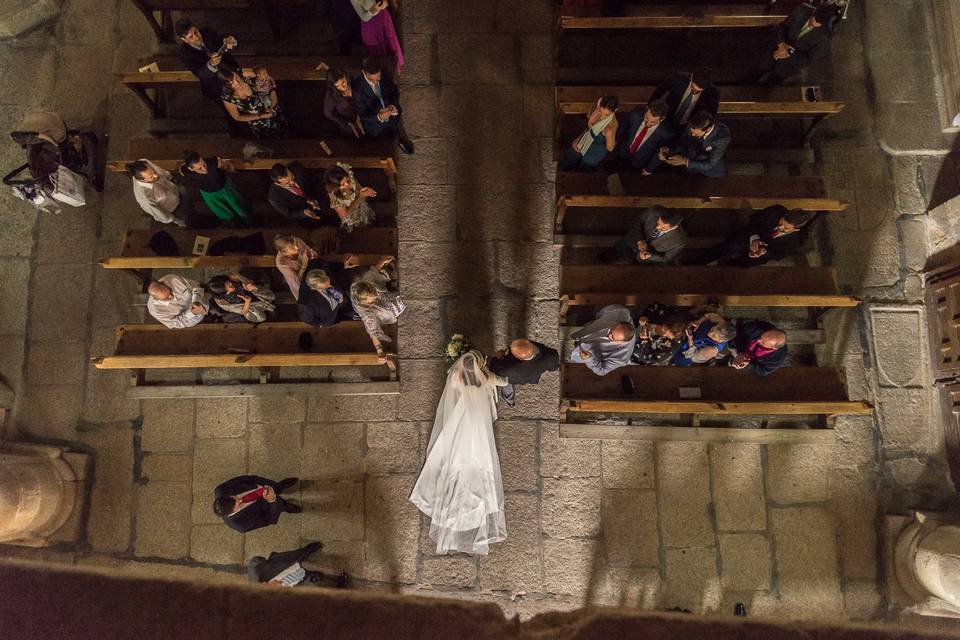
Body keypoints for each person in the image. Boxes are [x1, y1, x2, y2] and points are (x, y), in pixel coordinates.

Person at [409, 350, 509, 555]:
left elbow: (452, 385)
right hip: (479, 425)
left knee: (452, 455)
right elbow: (504, 382)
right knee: (481, 457)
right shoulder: (486, 379)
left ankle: (452, 503)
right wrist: (490, 374)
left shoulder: (456, 378)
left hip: (461, 420)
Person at [9, 112, 101, 190]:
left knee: (69, 155)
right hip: (40, 128)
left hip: (49, 130)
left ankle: (80, 153)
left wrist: (57, 147)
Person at [756, 4, 837, 86]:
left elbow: (810, 59)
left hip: (790, 63)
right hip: (776, 48)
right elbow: (782, 26)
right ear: (814, 12)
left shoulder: (825, 37)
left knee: (771, 83)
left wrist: (788, 52)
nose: (814, 23)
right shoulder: (801, 11)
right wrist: (781, 44)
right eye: (814, 19)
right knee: (759, 69)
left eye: (819, 23)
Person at [708, 205, 815, 266]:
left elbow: (778, 255)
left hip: (758, 256)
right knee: (723, 248)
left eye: (786, 228)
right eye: (781, 222)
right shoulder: (775, 211)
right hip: (747, 236)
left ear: (795, 229)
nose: (780, 227)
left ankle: (726, 265)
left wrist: (763, 252)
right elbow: (754, 220)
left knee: (737, 265)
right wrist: (755, 238)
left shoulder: (797, 240)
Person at [352, 58, 414, 153]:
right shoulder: (357, 88)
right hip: (375, 124)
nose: (377, 80)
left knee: (394, 127)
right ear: (365, 73)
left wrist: (393, 104)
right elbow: (362, 115)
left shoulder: (384, 74)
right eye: (373, 79)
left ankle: (399, 140)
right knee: (383, 143)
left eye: (379, 77)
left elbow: (394, 91)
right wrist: (378, 117)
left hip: (391, 112)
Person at [349, 257, 403, 362]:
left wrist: (382, 261)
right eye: (371, 301)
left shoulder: (364, 282)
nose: (373, 300)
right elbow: (373, 332)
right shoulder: (365, 312)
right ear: (364, 302)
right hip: (373, 310)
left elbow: (372, 272)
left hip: (374, 293)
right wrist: (380, 351)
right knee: (386, 312)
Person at [175, 19, 240, 101]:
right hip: (216, 87)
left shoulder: (207, 32)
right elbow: (199, 73)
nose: (197, 37)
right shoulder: (185, 54)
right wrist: (211, 64)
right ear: (184, 40)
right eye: (191, 37)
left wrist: (230, 40)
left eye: (196, 32)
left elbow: (223, 38)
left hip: (233, 71)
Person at [653, 110, 731, 178]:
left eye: (696, 134)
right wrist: (669, 150)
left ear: (708, 129)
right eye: (691, 132)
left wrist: (685, 161)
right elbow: (683, 141)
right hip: (688, 168)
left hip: (709, 173)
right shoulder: (693, 124)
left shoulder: (723, 138)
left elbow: (710, 164)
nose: (692, 135)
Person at [179, 152, 250, 226]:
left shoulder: (213, 162)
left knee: (239, 207)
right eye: (199, 168)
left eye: (204, 164)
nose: (204, 169)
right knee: (223, 213)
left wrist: (230, 169)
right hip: (210, 195)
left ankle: (249, 222)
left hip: (224, 188)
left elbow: (226, 165)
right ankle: (234, 226)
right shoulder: (187, 171)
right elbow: (181, 169)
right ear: (191, 168)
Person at [213, 475, 301, 533]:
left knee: (276, 487)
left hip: (261, 487)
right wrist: (272, 500)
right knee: (281, 504)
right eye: (237, 505)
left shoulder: (221, 489)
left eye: (234, 498)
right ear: (230, 512)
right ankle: (285, 506)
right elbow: (268, 519)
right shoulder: (241, 524)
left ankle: (279, 487)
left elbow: (245, 479)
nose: (239, 500)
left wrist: (268, 484)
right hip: (267, 506)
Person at [487, 338, 560, 407]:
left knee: (505, 382)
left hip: (515, 375)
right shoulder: (552, 356)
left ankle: (509, 399)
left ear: (519, 358)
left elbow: (492, 366)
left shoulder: (507, 369)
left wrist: (498, 356)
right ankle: (510, 401)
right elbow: (553, 368)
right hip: (533, 375)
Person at [569, 305, 636, 376]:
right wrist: (597, 317)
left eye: (612, 338)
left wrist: (588, 359)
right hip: (580, 331)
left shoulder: (621, 358)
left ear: (622, 342)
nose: (608, 335)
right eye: (610, 331)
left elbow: (602, 371)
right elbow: (606, 310)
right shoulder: (620, 312)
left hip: (579, 354)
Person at [219, 68, 288, 138]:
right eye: (232, 83)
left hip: (274, 111)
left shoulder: (246, 75)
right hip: (260, 125)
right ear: (226, 85)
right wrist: (261, 115)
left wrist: (271, 106)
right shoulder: (227, 96)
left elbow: (270, 87)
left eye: (236, 77)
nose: (237, 83)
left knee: (285, 132)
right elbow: (237, 117)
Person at [247, 542, 349, 589]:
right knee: (317, 580)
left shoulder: (255, 570)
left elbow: (256, 560)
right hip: (297, 581)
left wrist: (272, 558)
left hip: (287, 563)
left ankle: (307, 550)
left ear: (263, 584)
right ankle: (338, 584)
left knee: (299, 555)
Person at [605, 205, 686, 265]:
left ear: (674, 227)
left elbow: (666, 258)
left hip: (644, 262)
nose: (657, 227)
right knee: (611, 257)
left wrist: (650, 255)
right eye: (658, 223)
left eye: (663, 228)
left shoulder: (679, 241)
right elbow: (637, 220)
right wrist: (640, 240)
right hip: (630, 242)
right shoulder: (654, 211)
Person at [610, 99, 674, 173]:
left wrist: (649, 169)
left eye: (652, 122)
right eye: (646, 118)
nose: (647, 123)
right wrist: (616, 140)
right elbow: (624, 126)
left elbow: (660, 153)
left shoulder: (666, 133)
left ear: (662, 119)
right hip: (622, 152)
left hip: (639, 162)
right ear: (647, 110)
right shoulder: (635, 114)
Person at [559, 96, 619, 172]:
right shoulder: (599, 105)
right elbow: (589, 128)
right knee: (568, 161)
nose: (602, 116)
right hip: (584, 140)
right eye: (600, 112)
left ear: (615, 110)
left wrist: (611, 139)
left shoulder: (609, 128)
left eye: (606, 115)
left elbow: (610, 148)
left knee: (583, 171)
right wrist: (579, 138)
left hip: (594, 151)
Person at [649, 68, 720, 129]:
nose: (694, 92)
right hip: (667, 118)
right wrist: (650, 107)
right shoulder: (678, 78)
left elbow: (712, 114)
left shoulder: (713, 93)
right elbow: (659, 91)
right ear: (692, 77)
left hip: (688, 126)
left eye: (699, 91)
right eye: (693, 87)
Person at [127, 159, 189, 226]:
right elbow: (160, 214)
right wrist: (174, 219)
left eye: (154, 172)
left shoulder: (145, 162)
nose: (156, 176)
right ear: (141, 180)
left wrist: (170, 177)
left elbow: (159, 170)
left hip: (175, 191)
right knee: (187, 221)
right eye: (151, 177)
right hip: (174, 209)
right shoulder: (145, 198)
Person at [352, 1, 405, 74]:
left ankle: (395, 68)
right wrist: (376, 8)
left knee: (390, 42)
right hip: (370, 25)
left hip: (383, 16)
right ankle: (383, 74)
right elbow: (364, 17)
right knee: (376, 50)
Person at [323, 162, 377, 232]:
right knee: (360, 227)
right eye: (342, 184)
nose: (347, 184)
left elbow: (358, 186)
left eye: (347, 180)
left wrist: (364, 190)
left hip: (360, 203)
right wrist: (360, 197)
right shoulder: (336, 199)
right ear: (335, 187)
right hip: (352, 214)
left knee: (366, 215)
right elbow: (345, 214)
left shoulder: (347, 174)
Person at [208, 273, 276, 323]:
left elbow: (245, 280)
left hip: (251, 292)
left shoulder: (232, 278)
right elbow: (243, 311)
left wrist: (247, 284)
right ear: (224, 293)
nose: (232, 286)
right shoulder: (225, 302)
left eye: (229, 283)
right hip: (249, 305)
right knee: (261, 317)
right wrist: (247, 301)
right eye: (228, 288)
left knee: (271, 296)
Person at [274, 234, 318, 299]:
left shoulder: (297, 241)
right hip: (300, 284)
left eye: (295, 245)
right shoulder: (281, 262)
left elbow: (310, 254)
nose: (297, 247)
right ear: (285, 253)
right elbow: (297, 283)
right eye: (292, 248)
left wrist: (313, 255)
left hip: (312, 273)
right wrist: (304, 266)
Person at [324, 68, 363, 137]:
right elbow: (328, 113)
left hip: (363, 114)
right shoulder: (331, 95)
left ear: (345, 76)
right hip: (348, 121)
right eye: (337, 86)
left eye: (343, 82)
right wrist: (343, 122)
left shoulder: (354, 79)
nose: (342, 87)